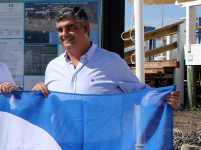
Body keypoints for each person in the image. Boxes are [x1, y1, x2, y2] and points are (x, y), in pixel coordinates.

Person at [32, 6, 179, 107]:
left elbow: (139, 94)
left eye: (71, 28)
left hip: (103, 146)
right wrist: (36, 93)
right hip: (64, 144)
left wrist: (164, 98)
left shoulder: (111, 61)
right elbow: (47, 104)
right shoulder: (53, 67)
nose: (64, 34)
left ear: (86, 27)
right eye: (60, 30)